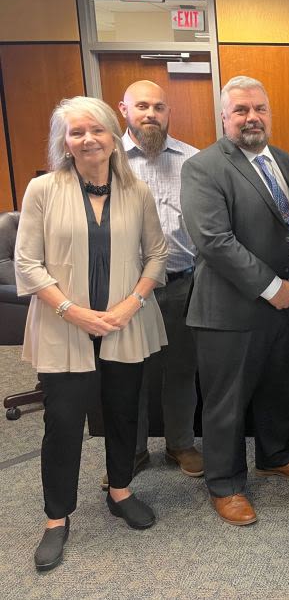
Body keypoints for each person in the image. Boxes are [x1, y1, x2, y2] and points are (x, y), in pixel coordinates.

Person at [16, 96, 168, 571]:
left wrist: (130, 303)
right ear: (64, 141)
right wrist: (73, 311)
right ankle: (56, 518)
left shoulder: (137, 190)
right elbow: (27, 262)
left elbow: (157, 254)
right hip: (65, 326)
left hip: (125, 323)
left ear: (112, 136)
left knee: (123, 413)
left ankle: (120, 489)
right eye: (76, 132)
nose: (88, 140)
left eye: (96, 130)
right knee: (62, 424)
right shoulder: (42, 190)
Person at [181, 76, 289, 527]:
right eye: (241, 110)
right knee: (227, 402)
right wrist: (274, 287)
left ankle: (274, 455)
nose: (251, 117)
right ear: (224, 117)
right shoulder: (203, 167)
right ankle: (225, 484)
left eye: (259, 108)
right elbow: (214, 241)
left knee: (280, 387)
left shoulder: (285, 161)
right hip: (231, 310)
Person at [114, 79, 202, 487]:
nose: (151, 114)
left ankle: (180, 443)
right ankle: (131, 451)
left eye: (159, 107)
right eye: (142, 106)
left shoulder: (192, 160)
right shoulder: (107, 158)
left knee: (182, 369)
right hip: (126, 290)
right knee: (130, 371)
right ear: (124, 110)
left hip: (182, 283)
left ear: (168, 113)